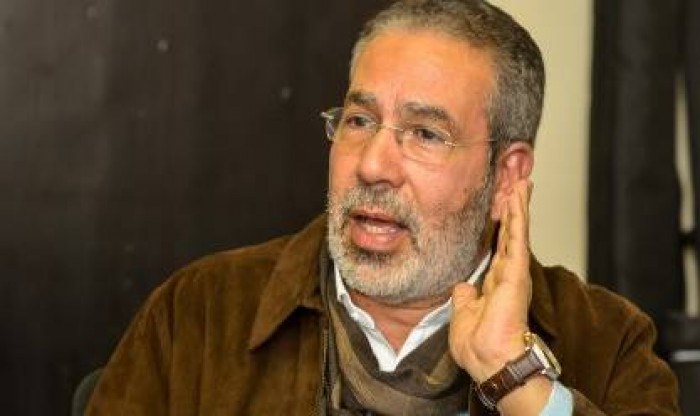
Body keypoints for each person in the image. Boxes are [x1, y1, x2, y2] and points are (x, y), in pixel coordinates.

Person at [86, 0, 679, 414]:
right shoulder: (198, 313)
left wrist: (516, 378)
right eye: (359, 121)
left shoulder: (607, 342)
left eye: (425, 134)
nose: (372, 165)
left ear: (507, 176)